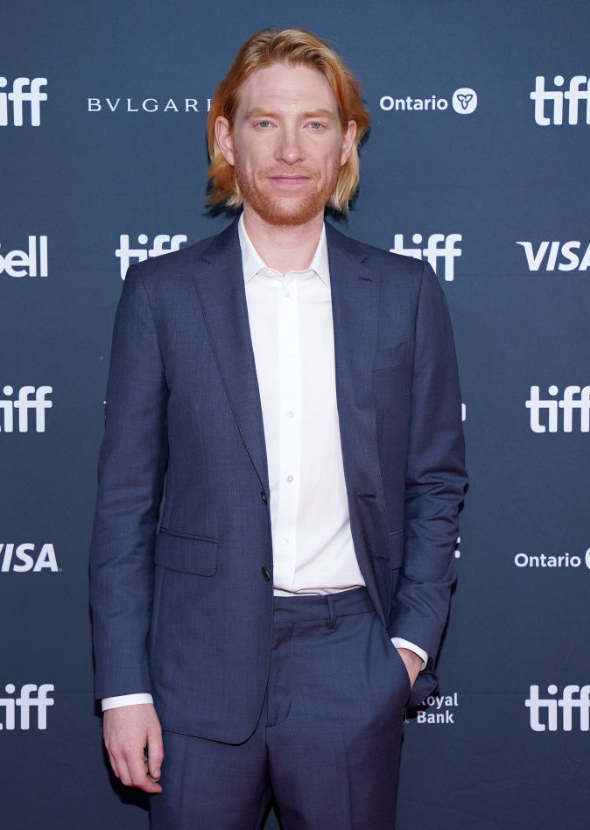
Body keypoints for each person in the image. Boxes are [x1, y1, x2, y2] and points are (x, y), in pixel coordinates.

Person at [88, 28, 467, 829]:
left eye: (315, 123)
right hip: (195, 669)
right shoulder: (161, 296)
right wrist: (124, 688)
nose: (290, 148)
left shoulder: (405, 294)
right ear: (227, 137)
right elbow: (124, 506)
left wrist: (405, 652)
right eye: (265, 123)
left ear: (347, 141)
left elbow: (436, 481)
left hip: (350, 659)